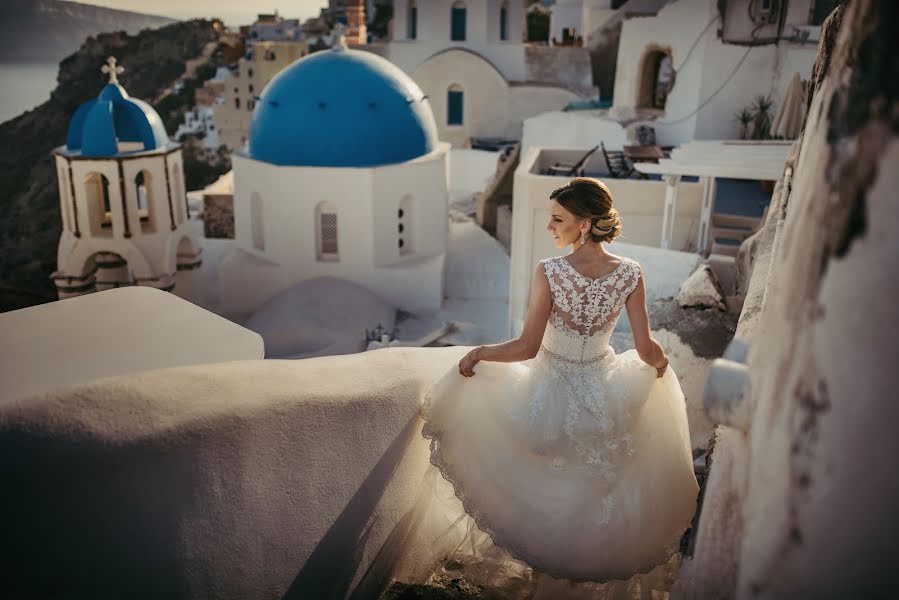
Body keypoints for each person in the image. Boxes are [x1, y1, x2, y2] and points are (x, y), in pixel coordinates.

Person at [421, 177, 699, 583]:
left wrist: (480, 352)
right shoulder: (630, 274)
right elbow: (645, 348)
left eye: (558, 219)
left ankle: (548, 575)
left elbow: (527, 347)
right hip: (604, 393)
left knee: (544, 491)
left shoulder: (550, 271)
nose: (550, 227)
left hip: (547, 393)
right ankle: (577, 575)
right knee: (588, 496)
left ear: (584, 224)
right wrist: (661, 368)